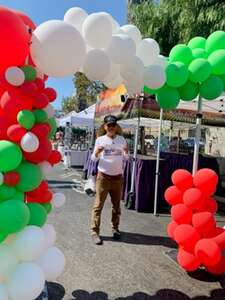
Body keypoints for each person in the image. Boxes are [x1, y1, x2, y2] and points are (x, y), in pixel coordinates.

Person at [90, 115, 129, 245]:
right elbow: (93, 159)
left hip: (117, 178)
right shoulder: (100, 140)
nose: (111, 127)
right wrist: (96, 153)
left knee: (117, 207)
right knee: (98, 206)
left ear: (116, 126)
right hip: (103, 178)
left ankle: (115, 228)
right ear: (105, 126)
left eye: (113, 125)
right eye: (109, 125)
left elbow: (126, 159)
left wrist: (126, 152)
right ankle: (95, 231)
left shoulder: (122, 139)